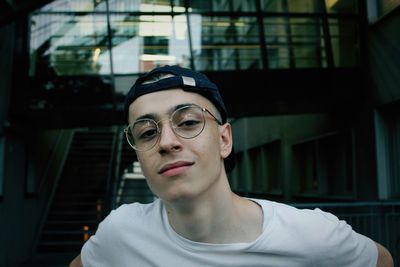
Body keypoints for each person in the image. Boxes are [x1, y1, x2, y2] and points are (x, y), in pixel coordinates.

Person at [70, 65, 393, 267]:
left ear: (225, 139)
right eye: (147, 132)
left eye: (188, 122)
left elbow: (381, 260)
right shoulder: (121, 232)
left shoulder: (313, 237)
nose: (167, 142)